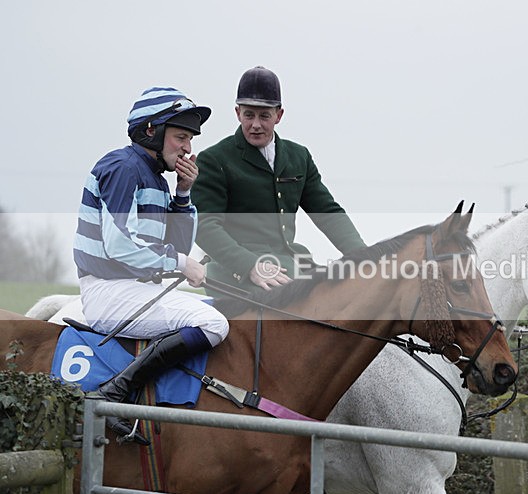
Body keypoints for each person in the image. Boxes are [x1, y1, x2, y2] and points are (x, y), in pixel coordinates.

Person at [73, 87, 230, 445]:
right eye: (181, 137)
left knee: (224, 311)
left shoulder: (155, 178)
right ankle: (113, 393)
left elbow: (176, 244)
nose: (187, 148)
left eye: (190, 139)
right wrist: (182, 263)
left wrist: (183, 193)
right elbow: (120, 245)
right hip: (108, 290)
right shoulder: (123, 168)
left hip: (138, 288)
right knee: (213, 324)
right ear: (151, 131)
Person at [193, 66, 365, 293]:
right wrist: (249, 266)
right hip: (237, 274)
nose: (255, 124)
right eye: (249, 115)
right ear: (237, 113)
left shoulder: (299, 156)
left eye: (264, 115)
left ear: (279, 115)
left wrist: (363, 256)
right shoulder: (214, 159)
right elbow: (203, 226)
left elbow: (327, 212)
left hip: (292, 262)